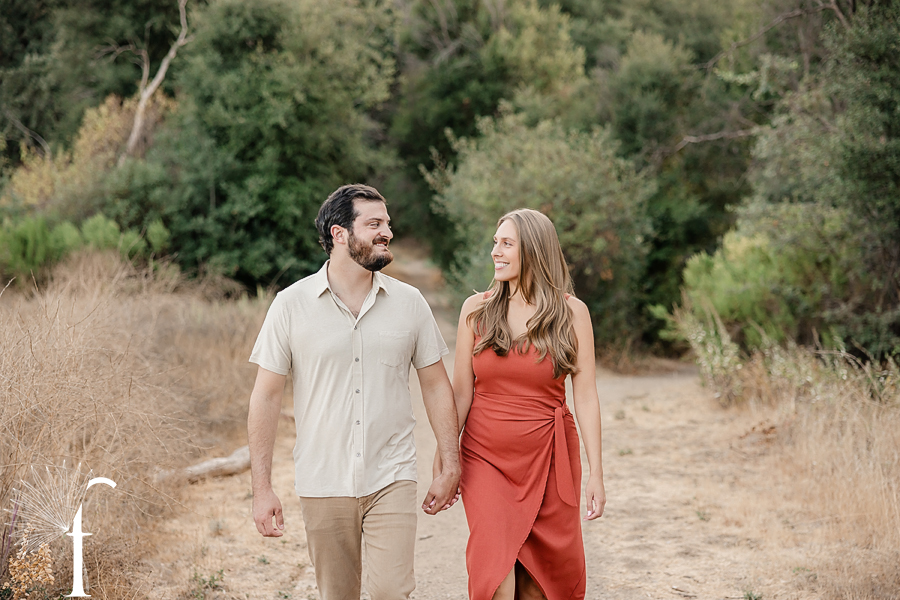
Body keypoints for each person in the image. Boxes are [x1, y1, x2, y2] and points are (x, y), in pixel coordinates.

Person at [247, 184, 461, 600]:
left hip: (392, 476)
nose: (387, 232)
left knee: (390, 593)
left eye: (388, 224)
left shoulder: (410, 302)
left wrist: (450, 462)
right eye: (374, 224)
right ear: (339, 233)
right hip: (323, 480)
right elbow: (266, 397)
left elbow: (435, 385)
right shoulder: (290, 305)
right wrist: (262, 488)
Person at [446, 208, 606, 600]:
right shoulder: (476, 309)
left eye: (506, 243)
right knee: (495, 571)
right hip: (485, 457)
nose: (495, 252)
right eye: (495, 243)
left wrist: (596, 473)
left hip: (550, 458)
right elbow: (461, 392)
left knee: (541, 582)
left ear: (533, 250)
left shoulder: (572, 313)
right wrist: (446, 455)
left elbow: (585, 395)